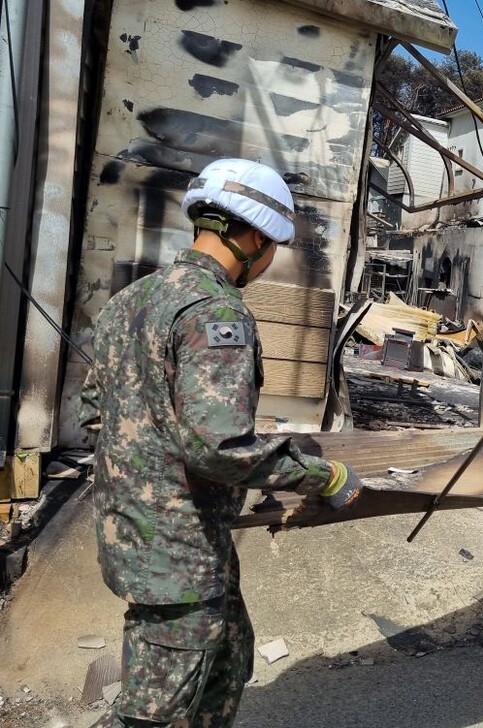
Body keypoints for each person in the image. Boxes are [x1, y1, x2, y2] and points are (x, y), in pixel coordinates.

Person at [80, 158, 362, 726]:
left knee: (228, 658)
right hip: (176, 551)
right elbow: (219, 447)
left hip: (150, 532)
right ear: (255, 236)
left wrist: (150, 472)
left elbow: (95, 414)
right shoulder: (215, 312)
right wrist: (323, 476)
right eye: (275, 245)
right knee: (152, 713)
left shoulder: (130, 302)